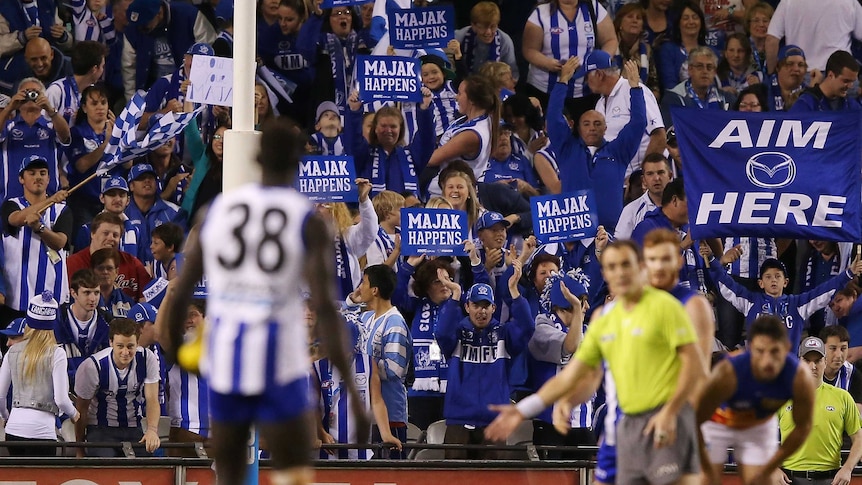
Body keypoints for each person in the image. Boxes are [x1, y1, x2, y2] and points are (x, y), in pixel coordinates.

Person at [156, 117, 368, 485]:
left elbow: (181, 289)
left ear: (256, 158)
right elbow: (326, 311)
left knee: (230, 475)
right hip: (278, 358)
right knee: (294, 467)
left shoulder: (216, 213)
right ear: (298, 162)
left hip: (228, 357)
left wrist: (177, 354)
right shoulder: (306, 220)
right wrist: (351, 387)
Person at [486, 240, 704, 484]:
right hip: (619, 429)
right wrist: (529, 408)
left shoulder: (673, 309)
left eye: (625, 265)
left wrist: (671, 412)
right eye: (611, 266)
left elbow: (694, 371)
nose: (619, 273)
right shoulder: (603, 319)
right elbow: (583, 375)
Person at [696, 315, 817, 485]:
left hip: (758, 423)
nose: (767, 361)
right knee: (706, 480)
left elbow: (803, 428)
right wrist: (707, 468)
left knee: (762, 481)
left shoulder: (800, 378)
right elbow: (695, 420)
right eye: (760, 351)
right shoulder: (726, 373)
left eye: (775, 351)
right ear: (750, 348)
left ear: (788, 348)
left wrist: (769, 468)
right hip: (718, 421)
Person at [436, 262, 535, 460]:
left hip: (494, 422)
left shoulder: (504, 334)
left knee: (492, 478)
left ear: (493, 308)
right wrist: (455, 295)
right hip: (459, 420)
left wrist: (514, 292)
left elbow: (527, 327)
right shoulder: (456, 334)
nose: (481, 311)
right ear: (467, 306)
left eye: (486, 305)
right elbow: (441, 333)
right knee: (454, 480)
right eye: (476, 305)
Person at [548, 57, 646, 232]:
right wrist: (562, 81)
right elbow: (554, 120)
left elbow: (638, 123)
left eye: (597, 124)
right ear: (577, 128)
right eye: (586, 124)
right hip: (573, 234)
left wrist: (635, 88)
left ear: (605, 127)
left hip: (609, 234)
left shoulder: (618, 152)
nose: (592, 128)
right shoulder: (567, 150)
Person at [702, 249, 862, 347]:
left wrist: (848, 273)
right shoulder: (750, 301)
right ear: (761, 283)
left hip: (788, 374)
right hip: (757, 372)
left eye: (778, 276)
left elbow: (824, 291)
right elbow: (726, 284)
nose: (773, 280)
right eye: (768, 276)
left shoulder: (798, 304)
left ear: (785, 282)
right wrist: (711, 259)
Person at [0, 291, 79, 456]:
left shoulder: (12, 351)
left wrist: (7, 416)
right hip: (42, 431)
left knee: (19, 480)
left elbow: (0, 395)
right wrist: (74, 414)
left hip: (13, 429)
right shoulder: (57, 353)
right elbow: (61, 399)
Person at [527, 274, 596, 458]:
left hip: (582, 422)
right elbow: (569, 346)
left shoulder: (589, 331)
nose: (586, 308)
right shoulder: (541, 329)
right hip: (551, 423)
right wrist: (575, 308)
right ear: (565, 304)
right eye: (582, 302)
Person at [778, 336, 862, 485]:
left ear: (825, 362)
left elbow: (859, 439)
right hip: (789, 479)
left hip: (831, 479)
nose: (813, 366)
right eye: (807, 360)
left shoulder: (842, 397)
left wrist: (848, 468)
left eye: (817, 360)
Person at [347, 264, 411, 459]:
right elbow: (340, 324)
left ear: (375, 290)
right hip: (366, 412)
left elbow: (394, 369)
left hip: (390, 413)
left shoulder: (395, 323)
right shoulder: (365, 317)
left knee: (387, 474)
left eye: (364, 283)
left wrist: (363, 366)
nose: (360, 288)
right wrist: (351, 302)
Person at [74, 317, 161, 457]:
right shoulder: (92, 366)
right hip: (100, 429)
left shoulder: (147, 358)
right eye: (120, 346)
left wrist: (152, 430)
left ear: (138, 343)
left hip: (134, 426)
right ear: (111, 343)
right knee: (108, 464)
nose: (125, 352)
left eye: (130, 346)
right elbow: (81, 410)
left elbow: (152, 399)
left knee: (147, 465)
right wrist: (79, 450)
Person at [521, 0, 617, 118]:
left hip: (585, 92)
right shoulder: (541, 13)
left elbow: (610, 40)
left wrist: (597, 63)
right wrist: (547, 63)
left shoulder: (594, 8)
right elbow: (529, 49)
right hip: (545, 90)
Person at [2, 154, 71, 315]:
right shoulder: (11, 204)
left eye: (42, 173)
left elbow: (59, 243)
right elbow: (16, 219)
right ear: (21, 179)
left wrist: (39, 227)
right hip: (16, 299)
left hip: (52, 298)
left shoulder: (62, 210)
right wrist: (51, 199)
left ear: (48, 178)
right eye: (31, 173)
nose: (38, 177)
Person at [589, 48, 666, 179]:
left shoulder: (634, 90)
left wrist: (642, 176)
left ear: (599, 74)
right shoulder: (599, 104)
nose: (585, 83)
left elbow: (659, 136)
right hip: (616, 181)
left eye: (586, 77)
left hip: (639, 181)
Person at [642, 228, 714, 367]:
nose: (659, 266)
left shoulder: (696, 306)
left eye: (665, 259)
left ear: (679, 261)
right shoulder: (634, 303)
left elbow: (698, 367)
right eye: (652, 259)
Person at [121, 0, 217, 101]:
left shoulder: (188, 15)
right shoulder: (133, 28)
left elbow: (210, 53)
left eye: (145, 25)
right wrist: (131, 104)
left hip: (188, 87)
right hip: (152, 91)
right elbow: (128, 68)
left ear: (159, 13)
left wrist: (200, 92)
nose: (140, 28)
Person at [425, 74, 499, 197]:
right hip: (445, 188)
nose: (456, 97)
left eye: (459, 93)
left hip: (448, 196)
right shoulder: (474, 119)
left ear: (472, 100)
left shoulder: (470, 135)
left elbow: (432, 160)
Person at [0, 77, 70, 203]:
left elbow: (65, 136)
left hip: (49, 199)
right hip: (11, 199)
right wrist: (10, 107)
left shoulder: (51, 126)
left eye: (36, 93)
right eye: (26, 93)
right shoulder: (8, 126)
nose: (31, 96)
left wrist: (49, 108)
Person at [66, 211, 151, 301]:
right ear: (92, 234)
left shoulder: (132, 263)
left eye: (115, 235)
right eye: (106, 233)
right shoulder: (72, 264)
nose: (111, 238)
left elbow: (146, 301)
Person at [765, 0, 862, 73]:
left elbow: (771, 40)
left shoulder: (788, 2)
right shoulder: (849, 2)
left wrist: (772, 75)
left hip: (798, 74)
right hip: (839, 75)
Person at [54, 268, 110, 386]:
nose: (93, 299)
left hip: (98, 392)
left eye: (96, 292)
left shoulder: (108, 323)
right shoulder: (56, 321)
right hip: (63, 389)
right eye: (87, 292)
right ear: (73, 293)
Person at [125, 163, 188, 267]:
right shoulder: (122, 214)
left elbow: (183, 246)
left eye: (151, 178)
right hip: (131, 274)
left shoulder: (174, 212)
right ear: (131, 186)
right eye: (141, 178)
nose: (147, 181)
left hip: (164, 272)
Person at [660, 46, 734, 127]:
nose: (705, 71)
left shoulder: (726, 99)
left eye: (709, 67)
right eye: (699, 66)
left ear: (714, 72)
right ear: (690, 69)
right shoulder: (673, 99)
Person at [74, 175, 139, 256]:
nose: (118, 199)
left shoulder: (135, 230)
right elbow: (80, 261)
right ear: (102, 198)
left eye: (122, 195)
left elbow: (138, 264)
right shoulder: (87, 229)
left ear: (128, 200)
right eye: (112, 194)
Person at [45, 40, 107, 125]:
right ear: (94, 69)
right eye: (102, 66)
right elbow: (42, 127)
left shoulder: (95, 94)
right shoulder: (56, 91)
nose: (103, 70)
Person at [453, 2, 518, 78]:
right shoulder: (459, 37)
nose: (488, 32)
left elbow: (513, 75)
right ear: (473, 25)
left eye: (493, 27)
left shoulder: (505, 41)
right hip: (465, 84)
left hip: (494, 86)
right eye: (483, 27)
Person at [615, 154, 672, 240]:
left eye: (661, 172)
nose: (656, 178)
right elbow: (620, 246)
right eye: (650, 174)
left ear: (670, 176)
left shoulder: (683, 205)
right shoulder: (631, 210)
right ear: (644, 180)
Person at [656, 2, 708, 93]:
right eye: (686, 18)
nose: (691, 22)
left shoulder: (710, 52)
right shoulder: (668, 50)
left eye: (695, 17)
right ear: (678, 23)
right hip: (678, 102)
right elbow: (669, 85)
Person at [790, 50, 860, 112]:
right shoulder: (806, 104)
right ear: (831, 75)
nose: (850, 86)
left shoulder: (850, 104)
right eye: (846, 81)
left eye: (852, 81)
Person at [819, 325, 862, 412]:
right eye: (833, 348)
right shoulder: (811, 371)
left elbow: (857, 412)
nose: (838, 355)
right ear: (821, 349)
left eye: (843, 349)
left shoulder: (853, 375)